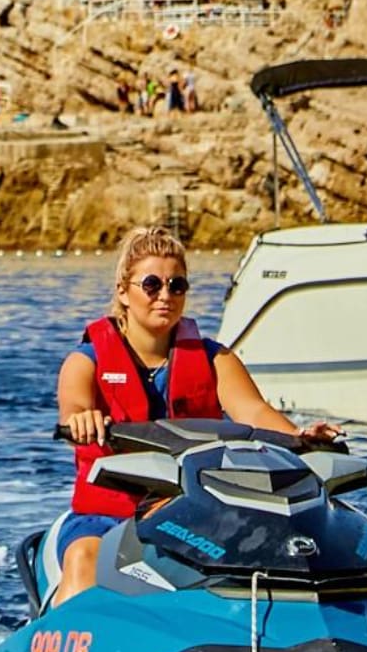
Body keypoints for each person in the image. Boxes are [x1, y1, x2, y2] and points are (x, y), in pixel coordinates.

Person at [54, 225, 341, 605]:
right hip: (108, 515)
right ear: (123, 292)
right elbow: (74, 406)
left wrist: (300, 437)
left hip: (197, 514)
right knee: (83, 558)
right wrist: (81, 419)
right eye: (152, 285)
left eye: (177, 286)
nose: (165, 296)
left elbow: (253, 411)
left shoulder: (214, 359)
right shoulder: (84, 361)